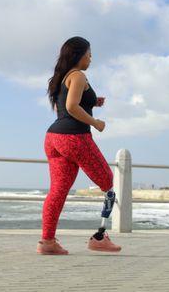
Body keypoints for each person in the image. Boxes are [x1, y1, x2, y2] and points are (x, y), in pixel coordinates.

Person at [37, 36, 122, 255]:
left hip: (54, 138)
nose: (91, 58)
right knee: (108, 183)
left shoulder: (61, 78)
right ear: (79, 55)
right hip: (75, 138)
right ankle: (99, 238)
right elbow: (72, 107)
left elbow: (63, 109)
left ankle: (47, 242)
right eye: (89, 54)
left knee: (57, 191)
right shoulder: (78, 75)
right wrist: (96, 123)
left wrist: (93, 101)